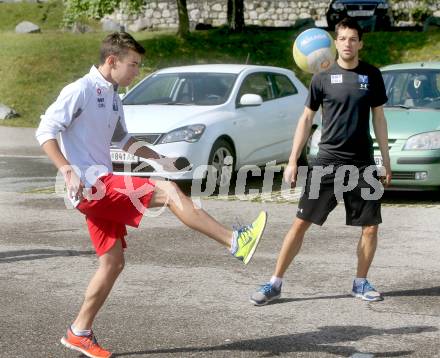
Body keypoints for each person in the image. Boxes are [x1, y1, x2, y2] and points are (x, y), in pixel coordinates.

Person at [36, 32, 267, 358]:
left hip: (98, 185)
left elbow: (124, 140)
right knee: (168, 190)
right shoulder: (80, 90)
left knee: (113, 264)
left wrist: (160, 159)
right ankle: (234, 241)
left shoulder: (113, 97)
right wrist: (66, 169)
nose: (136, 72)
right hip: (92, 185)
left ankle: (79, 331)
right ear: (112, 61)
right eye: (133, 65)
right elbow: (45, 130)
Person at [250, 17, 391, 306]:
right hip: (327, 161)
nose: (348, 43)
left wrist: (384, 160)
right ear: (334, 42)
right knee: (300, 223)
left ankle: (360, 283)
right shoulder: (321, 77)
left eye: (353, 39)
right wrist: (292, 160)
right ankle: (274, 283)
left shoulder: (372, 75)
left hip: (362, 164)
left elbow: (379, 117)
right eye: (342, 38)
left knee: (371, 227)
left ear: (360, 43)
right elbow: (306, 119)